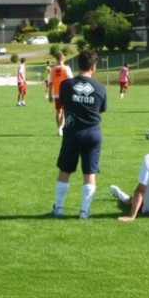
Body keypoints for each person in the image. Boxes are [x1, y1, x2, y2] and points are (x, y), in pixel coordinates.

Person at [51, 50, 107, 220]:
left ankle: (58, 208)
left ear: (78, 65)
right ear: (94, 67)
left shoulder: (66, 85)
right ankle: (84, 211)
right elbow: (101, 109)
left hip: (72, 132)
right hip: (93, 133)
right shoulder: (100, 88)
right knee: (89, 172)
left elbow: (63, 104)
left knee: (65, 170)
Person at [48, 52, 74, 135]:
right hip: (65, 93)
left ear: (56, 59)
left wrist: (50, 94)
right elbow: (71, 81)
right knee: (63, 111)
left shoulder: (53, 69)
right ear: (63, 59)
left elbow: (50, 83)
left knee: (58, 111)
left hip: (56, 93)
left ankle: (59, 129)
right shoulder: (66, 68)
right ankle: (61, 128)